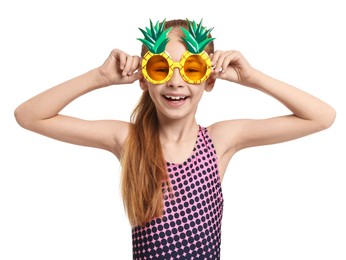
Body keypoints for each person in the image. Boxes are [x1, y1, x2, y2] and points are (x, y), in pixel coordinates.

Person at [14, 18, 336, 259]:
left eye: (191, 69)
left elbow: (321, 116)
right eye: (161, 68)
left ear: (208, 80)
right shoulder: (129, 140)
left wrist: (252, 77)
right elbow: (29, 115)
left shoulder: (220, 141)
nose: (176, 82)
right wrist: (99, 77)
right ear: (144, 79)